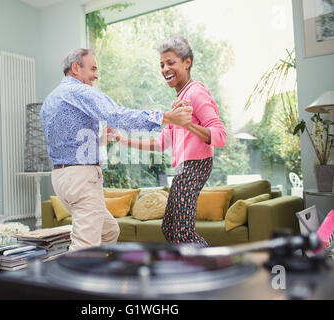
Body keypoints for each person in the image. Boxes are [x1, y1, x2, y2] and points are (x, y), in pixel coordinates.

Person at [40, 48, 194, 252]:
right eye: (92, 69)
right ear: (75, 68)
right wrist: (166, 117)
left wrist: (101, 140)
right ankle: (73, 281)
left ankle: (98, 274)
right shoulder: (79, 91)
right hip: (81, 178)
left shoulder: (50, 100)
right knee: (84, 247)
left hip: (61, 178)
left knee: (109, 231)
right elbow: (118, 115)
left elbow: (69, 143)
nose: (96, 75)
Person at [116, 35, 227, 247]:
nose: (165, 69)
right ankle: (193, 269)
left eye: (171, 62)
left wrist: (188, 125)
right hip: (183, 168)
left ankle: (216, 269)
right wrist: (124, 140)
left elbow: (220, 136)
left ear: (187, 62)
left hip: (196, 165)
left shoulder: (196, 92)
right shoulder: (179, 101)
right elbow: (160, 143)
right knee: (169, 228)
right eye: (162, 64)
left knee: (182, 233)